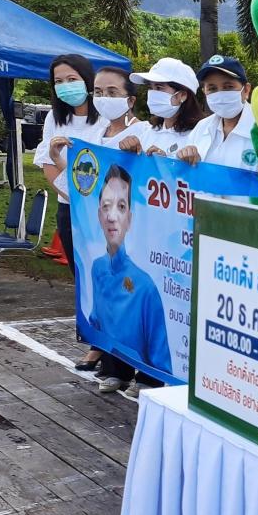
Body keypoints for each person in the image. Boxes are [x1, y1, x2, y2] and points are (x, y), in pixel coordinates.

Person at [34, 54, 106, 365]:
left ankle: (111, 343)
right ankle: (94, 340)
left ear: (87, 80)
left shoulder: (107, 117)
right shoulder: (55, 118)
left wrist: (91, 201)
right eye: (59, 81)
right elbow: (48, 163)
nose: (66, 86)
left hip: (105, 212)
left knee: (107, 275)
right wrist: (76, 198)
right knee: (82, 276)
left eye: (72, 79)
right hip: (71, 209)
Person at [90, 66, 152, 391]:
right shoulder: (94, 133)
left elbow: (151, 172)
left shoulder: (142, 132)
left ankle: (147, 372)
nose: (104, 98)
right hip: (103, 231)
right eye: (98, 92)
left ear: (130, 99)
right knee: (108, 297)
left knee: (134, 299)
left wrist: (138, 150)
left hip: (137, 232)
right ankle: (114, 367)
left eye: (112, 92)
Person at [88, 164, 171, 381]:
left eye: (121, 207)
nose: (112, 216)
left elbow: (160, 352)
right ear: (99, 214)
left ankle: (146, 378)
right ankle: (114, 369)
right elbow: (97, 320)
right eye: (106, 206)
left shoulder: (145, 286)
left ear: (130, 219)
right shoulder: (97, 268)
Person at [128, 58, 205, 162]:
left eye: (159, 88)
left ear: (182, 95)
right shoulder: (149, 132)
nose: (152, 93)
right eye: (150, 87)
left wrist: (166, 163)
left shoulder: (199, 134)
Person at [191, 55, 258, 171]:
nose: (220, 94)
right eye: (212, 89)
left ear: (246, 90)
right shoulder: (201, 128)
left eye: (228, 87)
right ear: (204, 92)